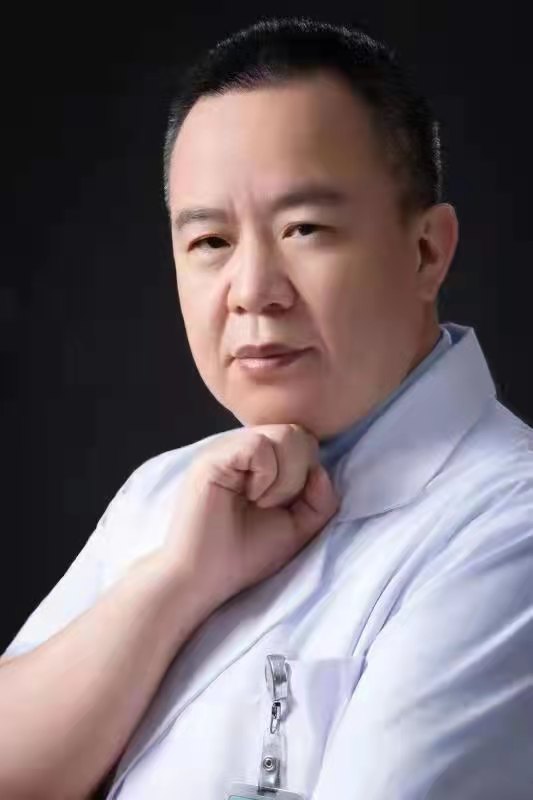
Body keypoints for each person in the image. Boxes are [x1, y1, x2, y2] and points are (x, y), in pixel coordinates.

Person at [1, 16, 532, 800]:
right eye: (210, 242)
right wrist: (176, 582)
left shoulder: (509, 529)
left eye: (304, 228)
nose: (251, 291)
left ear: (426, 251)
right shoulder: (167, 492)